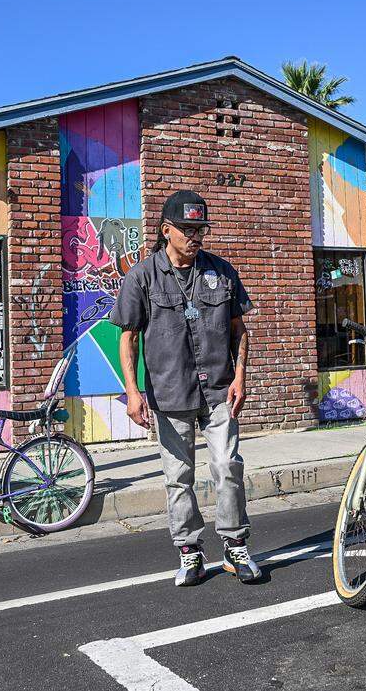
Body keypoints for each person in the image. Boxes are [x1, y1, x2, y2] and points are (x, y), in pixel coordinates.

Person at [110, 190, 261, 586]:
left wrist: (241, 374)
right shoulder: (142, 276)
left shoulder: (221, 271)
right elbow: (127, 338)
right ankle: (190, 551)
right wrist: (132, 391)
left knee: (228, 467)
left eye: (201, 229)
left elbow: (238, 330)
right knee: (178, 476)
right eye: (188, 229)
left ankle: (234, 545)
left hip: (218, 389)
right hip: (169, 391)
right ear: (166, 230)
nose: (196, 236)